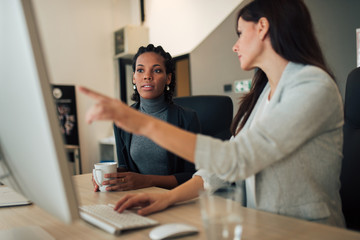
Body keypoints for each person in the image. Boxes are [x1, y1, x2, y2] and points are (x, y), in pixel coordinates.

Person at [80, 0, 345, 227]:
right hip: (261, 224)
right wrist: (168, 197)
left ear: (262, 28)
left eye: (240, 33)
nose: (235, 45)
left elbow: (237, 159)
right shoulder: (264, 93)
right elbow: (218, 169)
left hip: (304, 229)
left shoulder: (312, 86)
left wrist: (144, 124)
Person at [92, 44, 200, 191]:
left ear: (168, 78)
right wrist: (110, 176)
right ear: (134, 78)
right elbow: (125, 166)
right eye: (140, 70)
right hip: (136, 198)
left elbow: (194, 176)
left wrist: (147, 181)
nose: (147, 76)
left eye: (156, 70)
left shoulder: (187, 118)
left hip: (175, 200)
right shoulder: (121, 120)